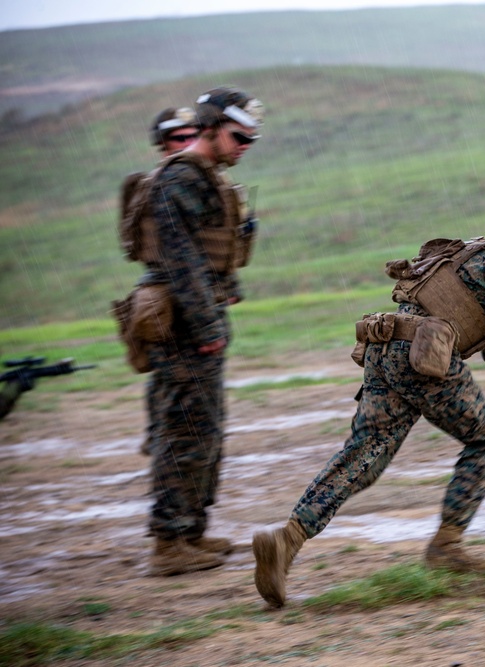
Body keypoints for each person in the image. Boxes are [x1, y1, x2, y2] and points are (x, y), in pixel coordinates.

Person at [252, 191, 485, 608]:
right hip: (426, 356)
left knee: (365, 452)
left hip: (387, 347)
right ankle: (447, 547)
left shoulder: (475, 253)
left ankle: (287, 539)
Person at [142, 87, 264, 576]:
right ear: (211, 128)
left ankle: (190, 530)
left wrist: (225, 289)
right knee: (184, 430)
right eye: (238, 137)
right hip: (183, 324)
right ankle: (169, 543)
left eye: (251, 140)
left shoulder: (205, 177)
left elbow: (209, 249)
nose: (244, 147)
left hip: (197, 317)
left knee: (204, 429)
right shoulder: (180, 179)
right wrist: (208, 324)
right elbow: (180, 259)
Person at [123, 107, 200, 456]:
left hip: (189, 290)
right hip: (165, 295)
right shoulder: (163, 185)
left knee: (179, 378)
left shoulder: (194, 180)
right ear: (162, 143)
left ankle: (166, 442)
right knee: (172, 375)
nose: (187, 143)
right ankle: (163, 443)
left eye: (192, 135)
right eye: (178, 138)